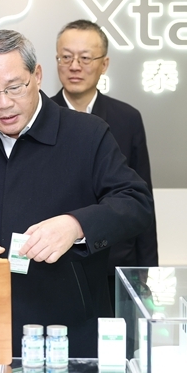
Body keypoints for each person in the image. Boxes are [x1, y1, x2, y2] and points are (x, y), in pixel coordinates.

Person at [0, 30, 154, 373]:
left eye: (14, 87)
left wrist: (76, 225)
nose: (4, 103)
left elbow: (135, 202)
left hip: (70, 339)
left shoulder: (87, 134)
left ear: (37, 76)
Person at [51, 19, 158, 273]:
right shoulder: (40, 117)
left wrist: (148, 269)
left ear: (104, 64)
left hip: (115, 260)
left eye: (85, 58)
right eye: (66, 57)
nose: (74, 66)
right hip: (55, 263)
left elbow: (141, 196)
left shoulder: (127, 118)